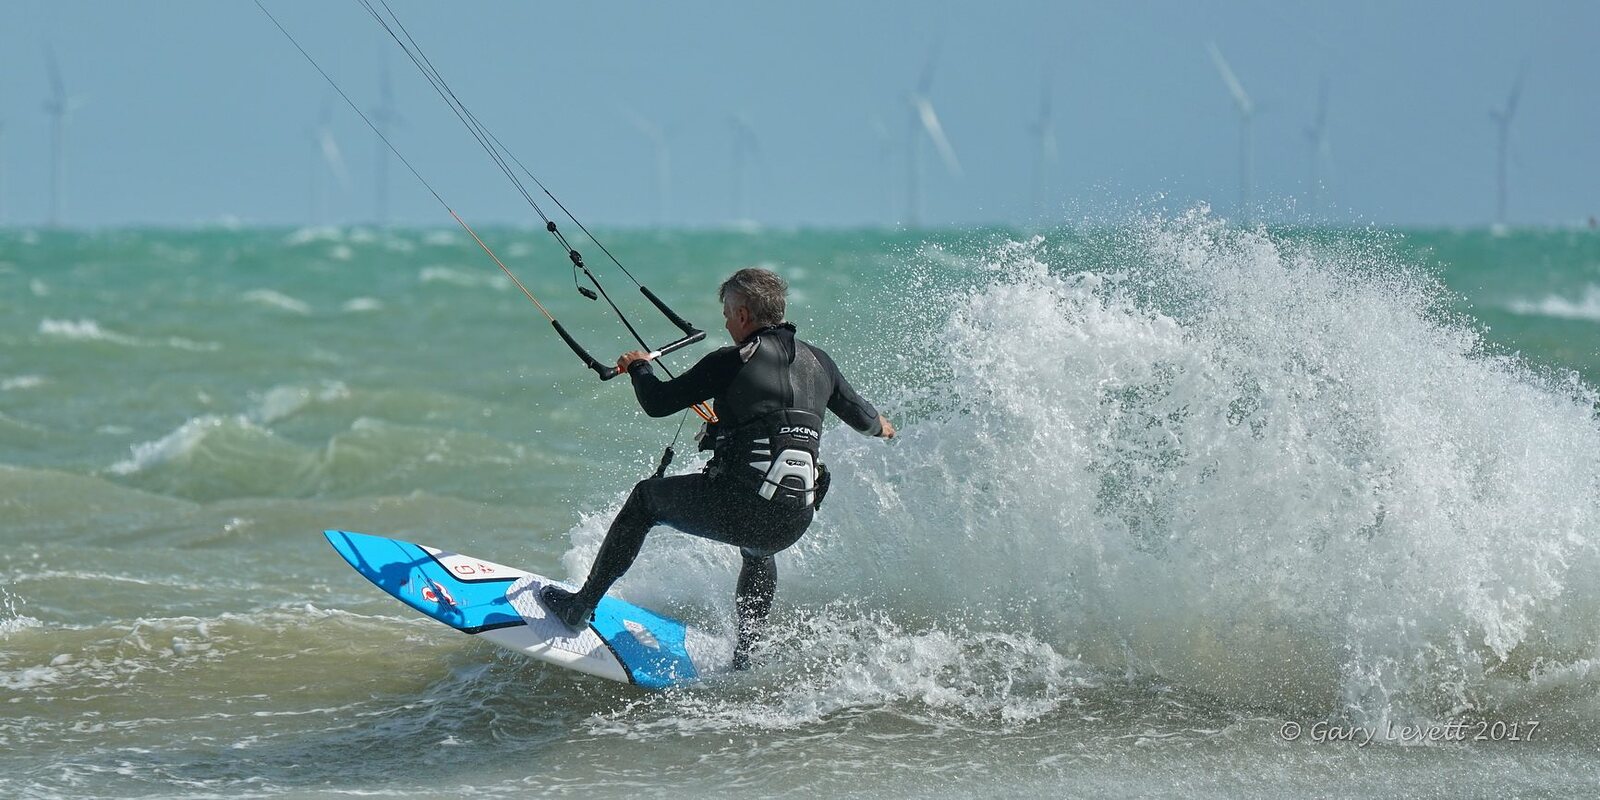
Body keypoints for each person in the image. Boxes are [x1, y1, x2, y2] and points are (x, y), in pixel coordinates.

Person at [541, 267, 894, 669]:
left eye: (727, 312)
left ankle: (579, 606)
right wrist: (883, 428)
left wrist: (639, 367)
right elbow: (866, 420)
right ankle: (746, 657)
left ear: (743, 314)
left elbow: (657, 403)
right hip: (794, 520)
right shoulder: (820, 363)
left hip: (742, 507)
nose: (725, 322)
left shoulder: (732, 360)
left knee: (645, 500)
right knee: (759, 551)